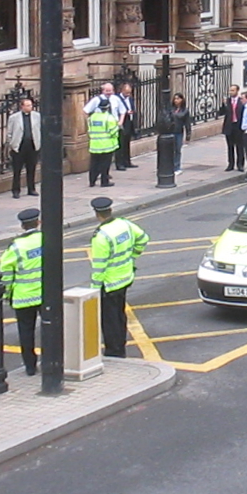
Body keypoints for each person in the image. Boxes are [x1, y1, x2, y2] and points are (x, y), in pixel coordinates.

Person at [89, 196, 149, 358]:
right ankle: (120, 345)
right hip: (125, 277)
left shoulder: (101, 236)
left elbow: (99, 266)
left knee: (110, 320)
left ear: (97, 214)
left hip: (109, 283)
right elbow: (143, 238)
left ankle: (114, 352)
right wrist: (132, 257)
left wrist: (94, 289)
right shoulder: (125, 224)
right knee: (119, 315)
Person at [0, 207, 44, 375]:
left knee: (26, 332)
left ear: (22, 226)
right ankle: (52, 360)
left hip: (23, 297)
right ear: (38, 222)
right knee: (50, 329)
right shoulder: (47, 238)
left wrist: (6, 294)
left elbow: (7, 273)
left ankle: (30, 367)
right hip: (46, 294)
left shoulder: (16, 246)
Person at [6, 96, 42, 198]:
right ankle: (16, 190)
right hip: (19, 146)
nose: (30, 107)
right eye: (27, 105)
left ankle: (31, 188)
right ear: (22, 106)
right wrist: (12, 144)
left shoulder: (37, 116)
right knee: (17, 170)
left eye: (31, 105)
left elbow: (39, 129)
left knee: (32, 168)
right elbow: (9, 132)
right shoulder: (14, 117)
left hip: (32, 145)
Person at [86, 97, 119, 188]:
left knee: (94, 163)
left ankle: (92, 181)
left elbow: (89, 129)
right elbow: (113, 132)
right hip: (106, 145)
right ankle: (104, 182)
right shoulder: (109, 118)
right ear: (108, 107)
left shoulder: (92, 117)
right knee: (105, 164)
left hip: (94, 145)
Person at [162, 92, 192, 174]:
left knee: (177, 150)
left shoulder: (185, 111)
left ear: (182, 100)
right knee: (170, 150)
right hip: (171, 132)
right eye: (175, 99)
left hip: (179, 132)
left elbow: (187, 124)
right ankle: (170, 166)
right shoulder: (171, 109)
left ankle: (177, 166)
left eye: (178, 98)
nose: (176, 100)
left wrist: (188, 136)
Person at [114, 79, 139, 169]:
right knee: (120, 144)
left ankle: (127, 161)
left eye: (129, 93)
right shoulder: (117, 99)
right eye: (126, 93)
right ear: (122, 90)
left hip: (130, 122)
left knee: (127, 143)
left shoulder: (130, 99)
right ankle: (119, 163)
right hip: (122, 123)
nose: (128, 95)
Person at [222, 84, 247, 172]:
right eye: (230, 90)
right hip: (229, 126)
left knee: (240, 146)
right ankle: (230, 164)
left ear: (237, 91)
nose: (231, 92)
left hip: (238, 126)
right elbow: (221, 112)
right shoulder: (227, 101)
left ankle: (240, 164)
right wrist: (224, 104)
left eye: (233, 90)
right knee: (230, 146)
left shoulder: (241, 101)